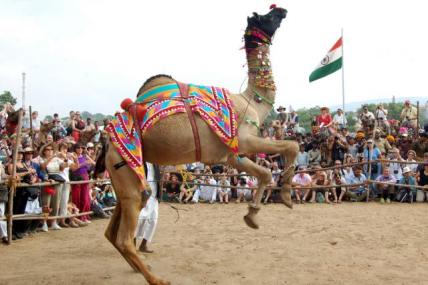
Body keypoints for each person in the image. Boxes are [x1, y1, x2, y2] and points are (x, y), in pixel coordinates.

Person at [39, 142, 67, 231]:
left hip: (57, 181)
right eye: (48, 150)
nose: (50, 151)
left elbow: (63, 168)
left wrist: (65, 158)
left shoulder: (57, 159)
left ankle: (54, 222)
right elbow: (43, 167)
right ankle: (44, 223)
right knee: (46, 203)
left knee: (56, 202)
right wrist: (52, 157)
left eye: (51, 149)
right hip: (47, 182)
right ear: (44, 151)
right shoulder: (41, 159)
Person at [135, 162, 160, 253]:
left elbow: (157, 178)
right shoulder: (139, 161)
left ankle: (143, 245)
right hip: (144, 194)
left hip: (154, 195)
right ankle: (132, 244)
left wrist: (159, 194)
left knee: (153, 220)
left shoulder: (155, 162)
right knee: (140, 219)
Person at [70, 143, 95, 223]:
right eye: (78, 147)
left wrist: (89, 158)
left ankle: (84, 216)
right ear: (75, 148)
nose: (80, 149)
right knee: (76, 198)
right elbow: (73, 169)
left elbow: (94, 163)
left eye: (82, 147)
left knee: (85, 198)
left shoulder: (85, 156)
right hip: (77, 177)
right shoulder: (73, 156)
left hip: (85, 177)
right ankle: (76, 217)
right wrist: (83, 164)